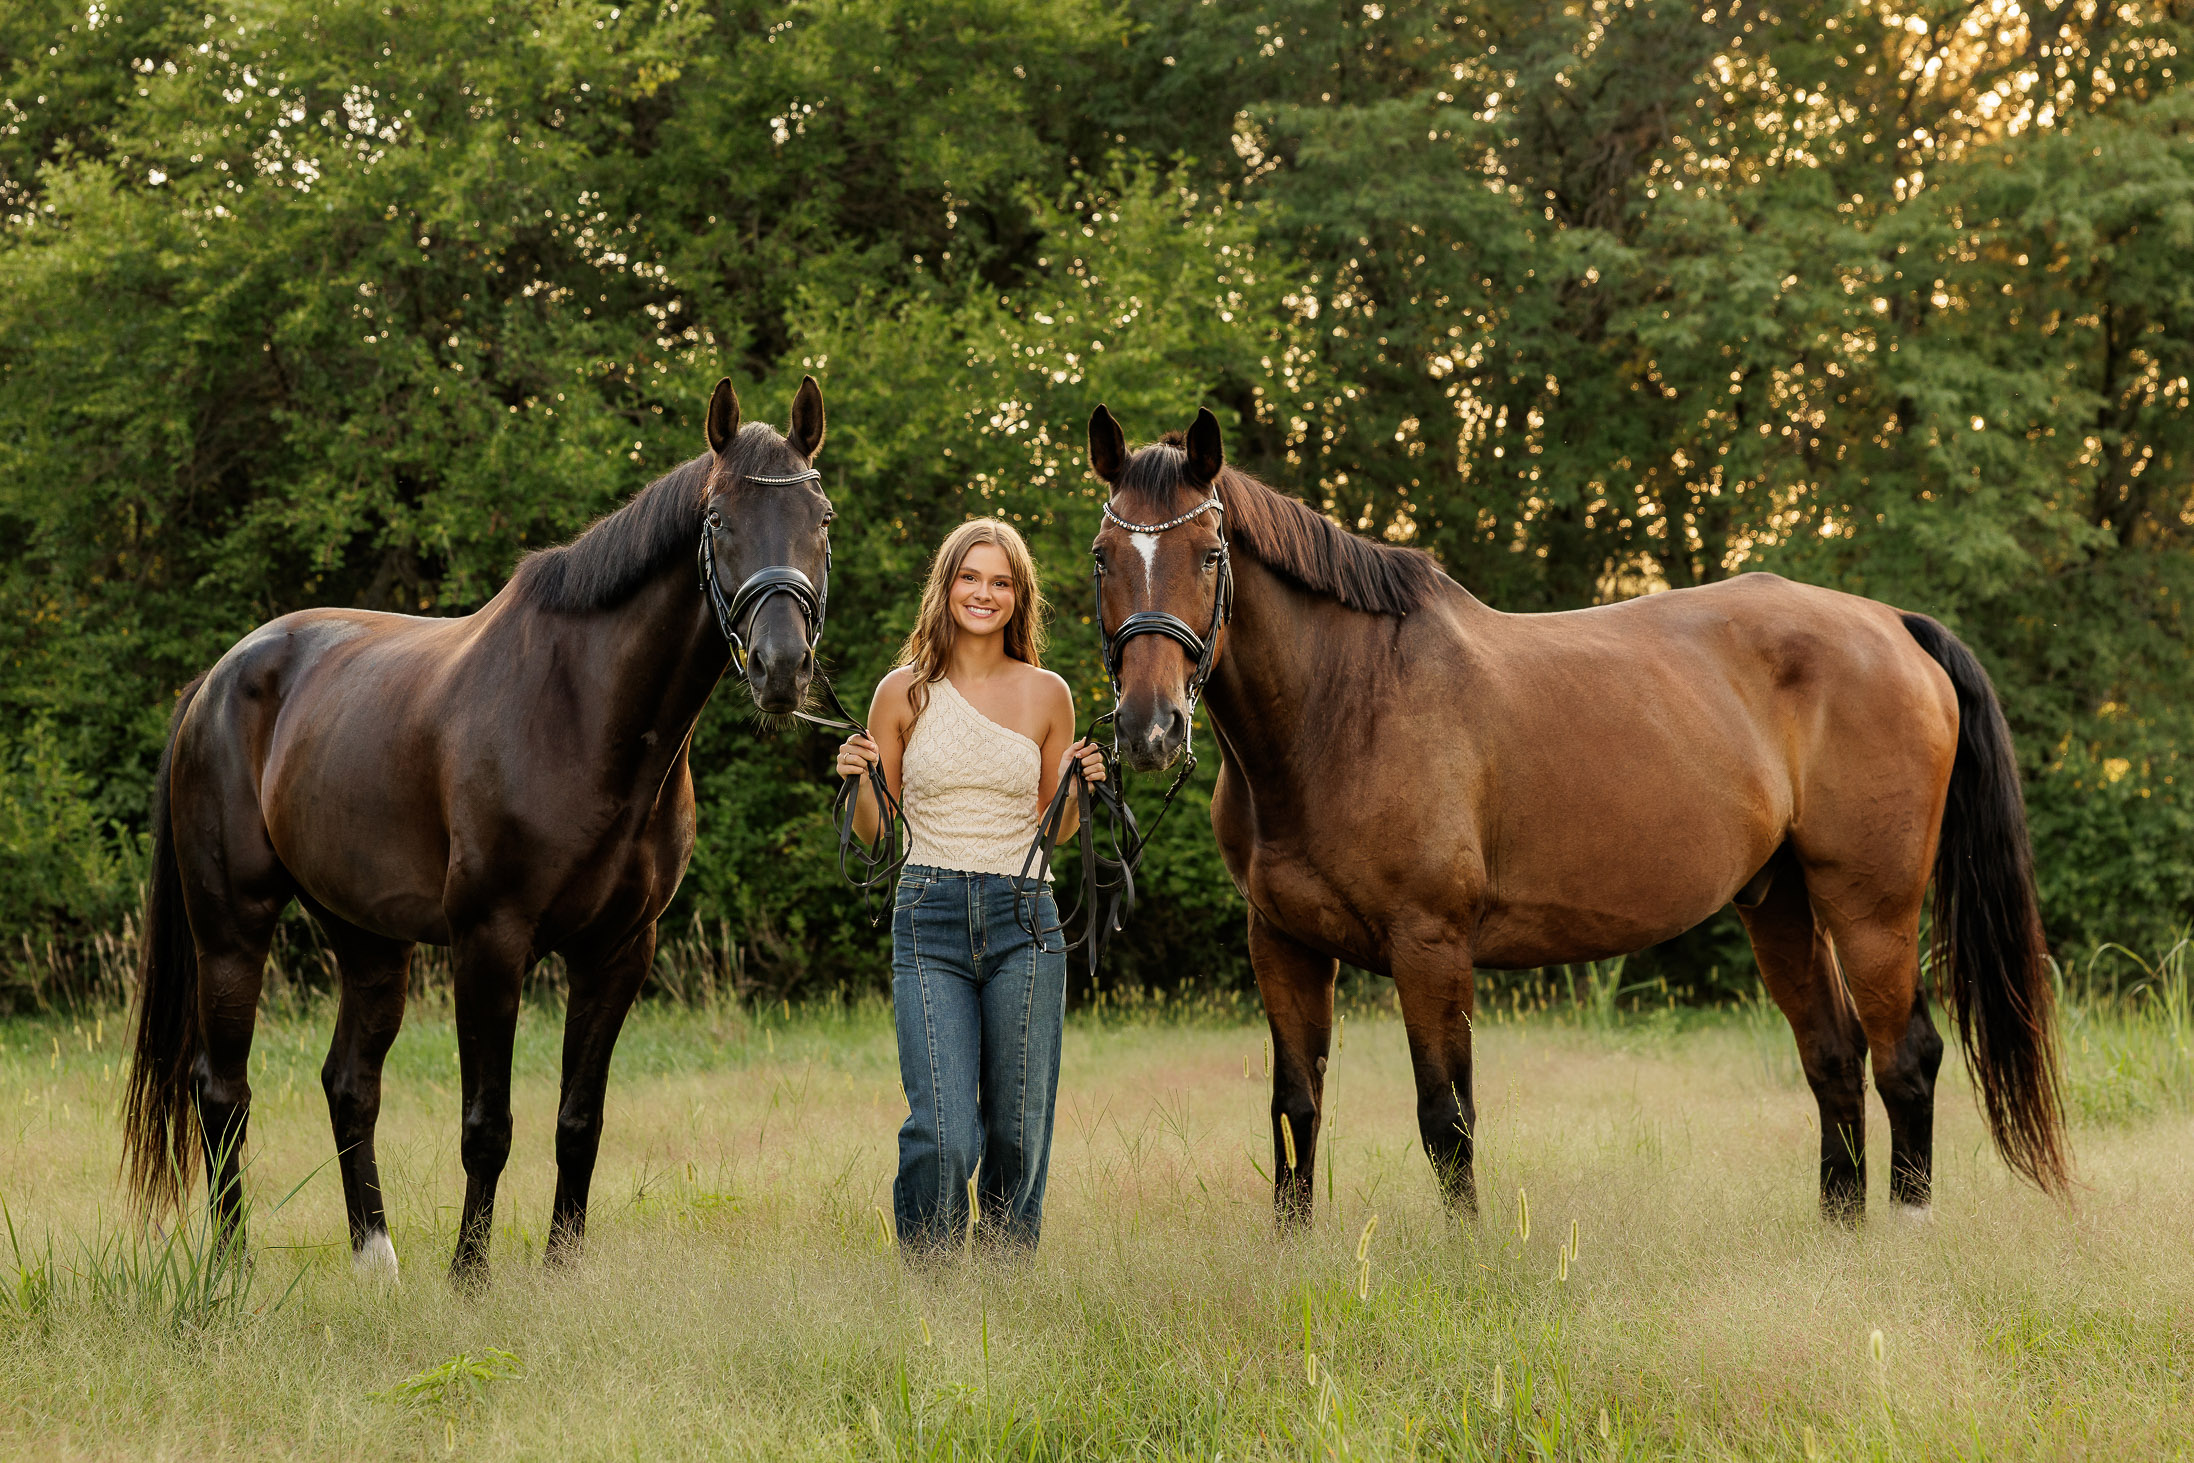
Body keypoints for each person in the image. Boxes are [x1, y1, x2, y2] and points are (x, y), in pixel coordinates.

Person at [836, 517, 1105, 1255]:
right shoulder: (902, 694)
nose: (983, 593)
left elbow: (1055, 832)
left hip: (1025, 918)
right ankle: (931, 1286)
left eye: (1000, 581)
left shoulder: (1049, 695)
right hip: (929, 916)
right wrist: (859, 776)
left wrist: (1078, 788)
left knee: (1019, 1126)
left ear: (1017, 598)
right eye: (970, 577)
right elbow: (874, 831)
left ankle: (1003, 1281)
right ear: (946, 584)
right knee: (944, 1130)